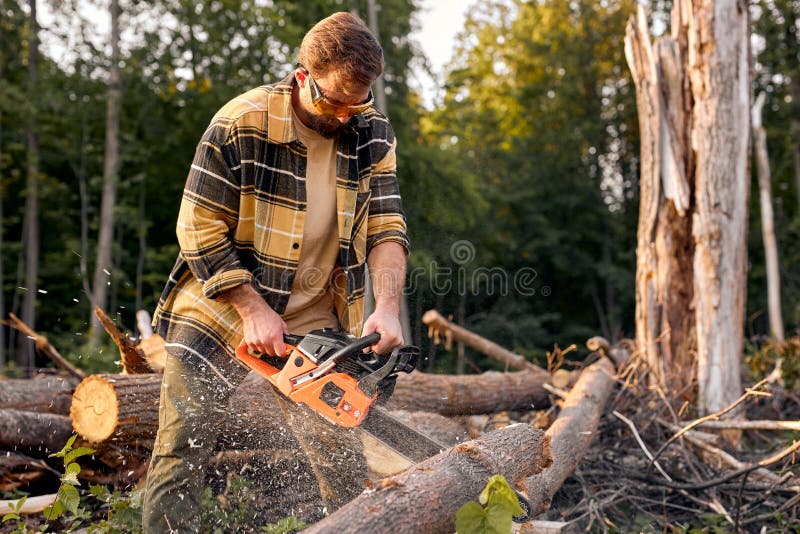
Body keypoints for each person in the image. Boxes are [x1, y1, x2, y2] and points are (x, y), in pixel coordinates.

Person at [142, 12, 409, 532]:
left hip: (314, 311)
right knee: (182, 444)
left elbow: (386, 230)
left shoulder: (371, 132)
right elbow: (196, 228)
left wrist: (388, 308)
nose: (345, 115)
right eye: (334, 101)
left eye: (359, 103)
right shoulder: (241, 123)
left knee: (340, 458)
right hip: (221, 300)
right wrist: (252, 309)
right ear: (303, 77)